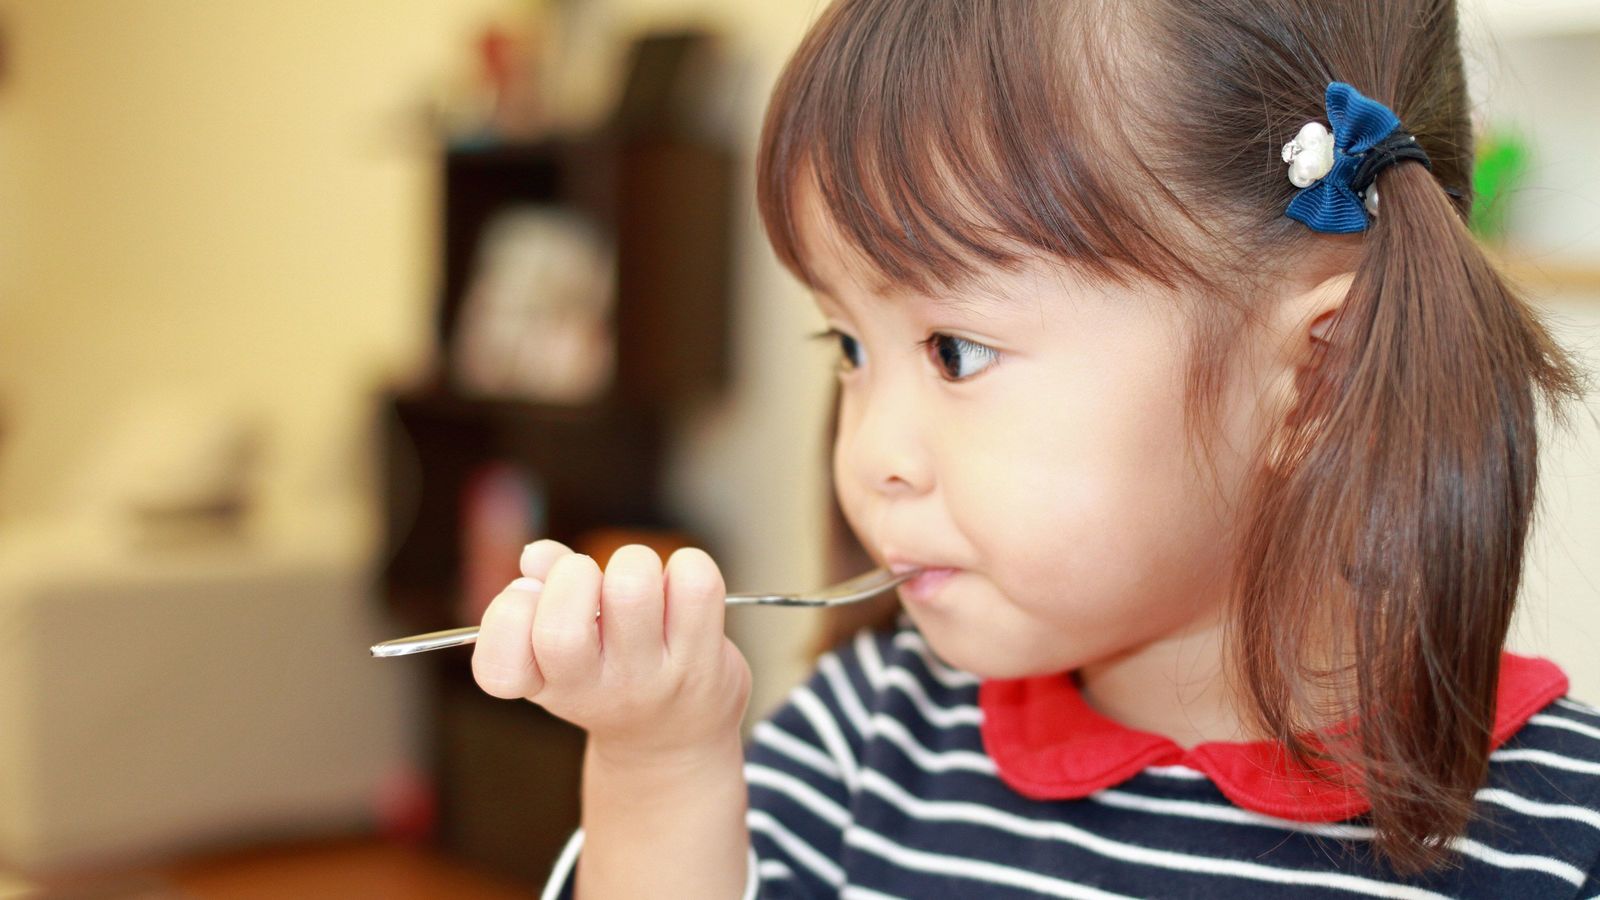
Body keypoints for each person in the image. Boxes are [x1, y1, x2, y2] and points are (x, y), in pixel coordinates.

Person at [469, 0, 1600, 896]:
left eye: (955, 351)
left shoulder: (1559, 841)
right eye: (849, 347)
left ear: (1321, 372)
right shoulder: (864, 745)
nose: (871, 456)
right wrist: (660, 767)